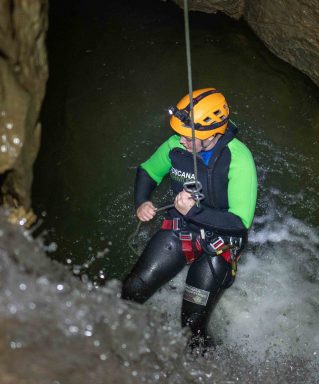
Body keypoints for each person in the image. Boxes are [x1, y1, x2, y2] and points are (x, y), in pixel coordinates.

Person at [121, 88, 257, 351]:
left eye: (188, 136)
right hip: (181, 229)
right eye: (180, 133)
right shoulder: (176, 145)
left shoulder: (239, 159)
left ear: (212, 135)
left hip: (220, 242)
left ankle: (206, 366)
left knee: (191, 328)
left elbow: (239, 223)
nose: (181, 140)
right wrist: (142, 202)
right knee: (129, 294)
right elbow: (148, 171)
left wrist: (193, 212)